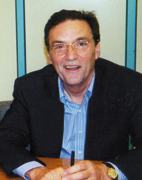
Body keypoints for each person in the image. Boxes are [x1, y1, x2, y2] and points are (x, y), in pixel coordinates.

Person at [0, 9, 142, 180]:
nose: (71, 56)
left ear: (96, 49)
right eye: (59, 47)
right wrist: (37, 172)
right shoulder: (30, 87)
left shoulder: (130, 85)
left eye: (80, 44)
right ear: (49, 56)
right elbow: (5, 141)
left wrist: (107, 172)